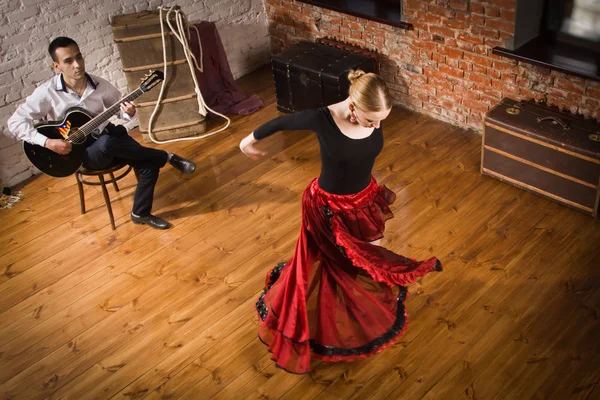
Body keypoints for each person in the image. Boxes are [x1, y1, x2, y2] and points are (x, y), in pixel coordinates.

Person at [239, 70, 443, 374]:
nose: (376, 126)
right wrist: (248, 141)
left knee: (362, 260)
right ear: (352, 106)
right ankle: (326, 317)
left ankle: (355, 303)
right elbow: (282, 122)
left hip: (364, 200)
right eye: (370, 119)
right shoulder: (323, 118)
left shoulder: (371, 109)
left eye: (381, 121)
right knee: (338, 262)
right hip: (328, 207)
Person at [8, 37, 196, 230]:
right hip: (82, 153)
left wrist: (128, 112)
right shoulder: (47, 92)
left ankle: (140, 213)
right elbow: (15, 122)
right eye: (68, 61)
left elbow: (122, 110)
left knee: (147, 164)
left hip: (109, 136)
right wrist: (47, 142)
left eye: (78, 57)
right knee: (107, 142)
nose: (77, 64)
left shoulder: (99, 84)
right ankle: (166, 156)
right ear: (57, 66)